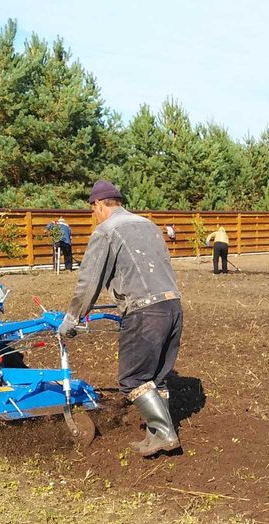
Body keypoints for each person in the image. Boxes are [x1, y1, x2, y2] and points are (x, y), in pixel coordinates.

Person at [60, 180, 183, 456]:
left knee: (132, 379)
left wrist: (72, 320)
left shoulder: (107, 231)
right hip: (172, 306)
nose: (94, 215)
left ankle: (165, 434)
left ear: (98, 204)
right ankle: (155, 438)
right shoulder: (149, 225)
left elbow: (89, 281)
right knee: (156, 380)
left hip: (145, 311)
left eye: (93, 209)